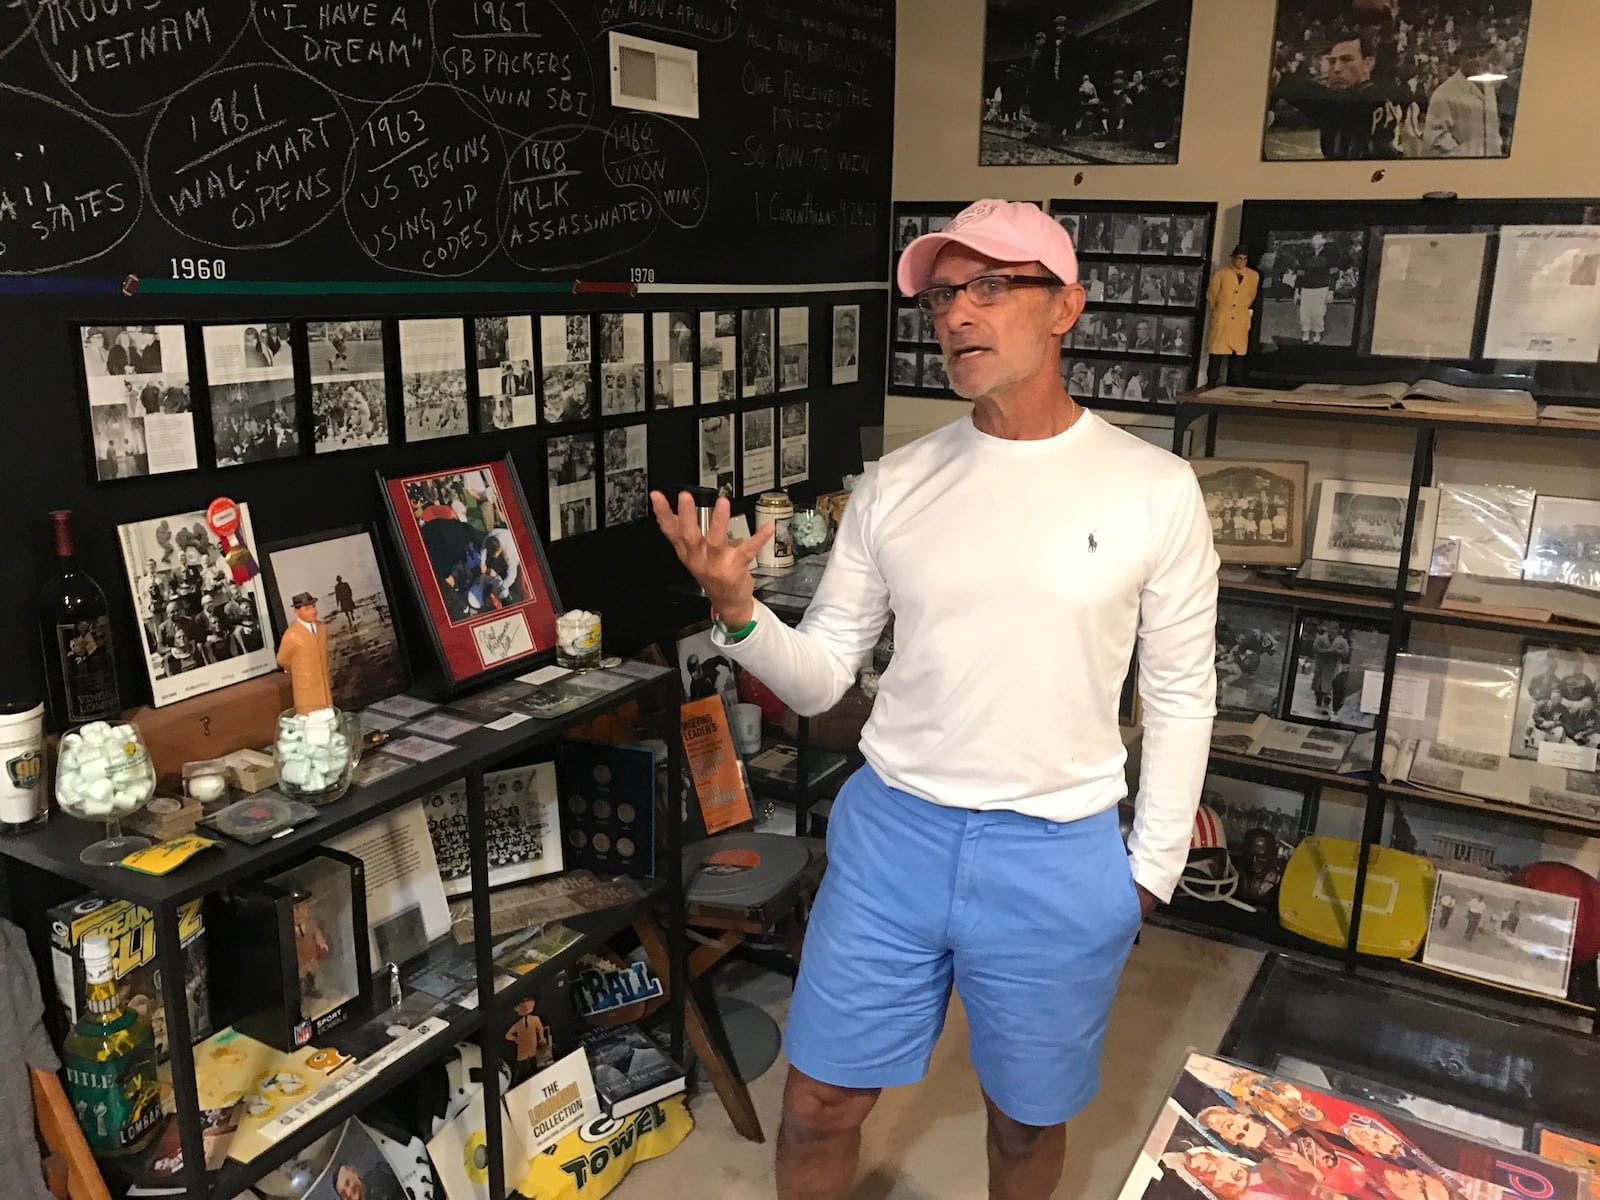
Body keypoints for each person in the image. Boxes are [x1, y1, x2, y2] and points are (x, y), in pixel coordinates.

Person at [649, 198, 1218, 1200]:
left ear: (1066, 308)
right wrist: (737, 612)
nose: (956, 313)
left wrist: (1149, 874)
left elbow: (1178, 690)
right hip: (891, 840)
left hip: (1056, 847)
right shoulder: (897, 484)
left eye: (990, 286)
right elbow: (825, 670)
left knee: (1024, 1127)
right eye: (943, 292)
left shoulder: (1153, 488)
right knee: (819, 1105)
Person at [1271, 29, 1403, 159]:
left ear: (1367, 64)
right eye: (1332, 62)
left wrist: (1280, 80)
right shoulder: (1343, 96)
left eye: (1346, 60)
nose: (1336, 69)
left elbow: (1337, 106)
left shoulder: (1373, 94)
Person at [1424, 45, 1503, 157]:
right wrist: (1462, 157)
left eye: (1482, 54)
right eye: (1471, 56)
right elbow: (1436, 137)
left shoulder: (1489, 87)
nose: (1477, 60)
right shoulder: (1444, 92)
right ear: (1460, 59)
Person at [276, 592, 333, 714]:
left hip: (323, 682)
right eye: (307, 608)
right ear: (296, 612)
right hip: (306, 686)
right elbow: (282, 659)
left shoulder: (322, 628)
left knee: (328, 715)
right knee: (310, 717)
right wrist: (298, 670)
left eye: (313, 607)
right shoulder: (291, 634)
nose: (312, 611)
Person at [1296, 234, 1335, 344]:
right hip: (1306, 288)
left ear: (1322, 242)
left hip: (1322, 288)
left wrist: (1331, 292)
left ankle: (1317, 334)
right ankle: (1305, 333)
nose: (1315, 242)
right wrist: (1297, 291)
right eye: (1314, 240)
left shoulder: (1329, 256)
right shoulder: (1305, 256)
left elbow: (1333, 275)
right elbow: (1300, 274)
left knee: (1318, 313)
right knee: (1304, 312)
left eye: (1318, 240)